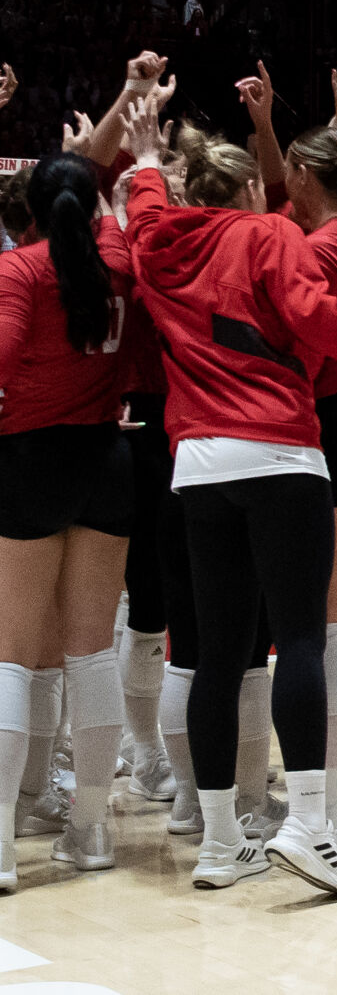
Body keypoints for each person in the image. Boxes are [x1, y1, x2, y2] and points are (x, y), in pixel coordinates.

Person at [122, 101, 337, 895]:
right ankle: (314, 824)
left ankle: (220, 841)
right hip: (281, 453)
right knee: (304, 640)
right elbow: (325, 324)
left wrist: (145, 153)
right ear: (250, 193)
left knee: (215, 652)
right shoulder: (273, 234)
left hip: (197, 465)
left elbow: (144, 206)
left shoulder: (159, 243)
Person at [0, 154, 134, 891]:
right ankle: (91, 830)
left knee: (13, 656)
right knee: (90, 656)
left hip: (30, 462)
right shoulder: (114, 263)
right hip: (104, 461)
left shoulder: (19, 271)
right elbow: (113, 226)